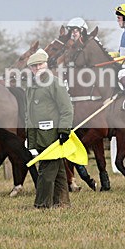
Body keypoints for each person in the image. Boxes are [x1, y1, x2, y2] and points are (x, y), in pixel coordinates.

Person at [25, 49, 74, 209]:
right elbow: (29, 115)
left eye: (39, 64)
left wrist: (64, 130)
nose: (37, 68)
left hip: (53, 136)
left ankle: (41, 205)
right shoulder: (31, 87)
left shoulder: (54, 83)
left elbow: (66, 108)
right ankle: (62, 203)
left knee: (45, 172)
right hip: (39, 135)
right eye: (33, 66)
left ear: (46, 64)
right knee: (58, 171)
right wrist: (30, 139)